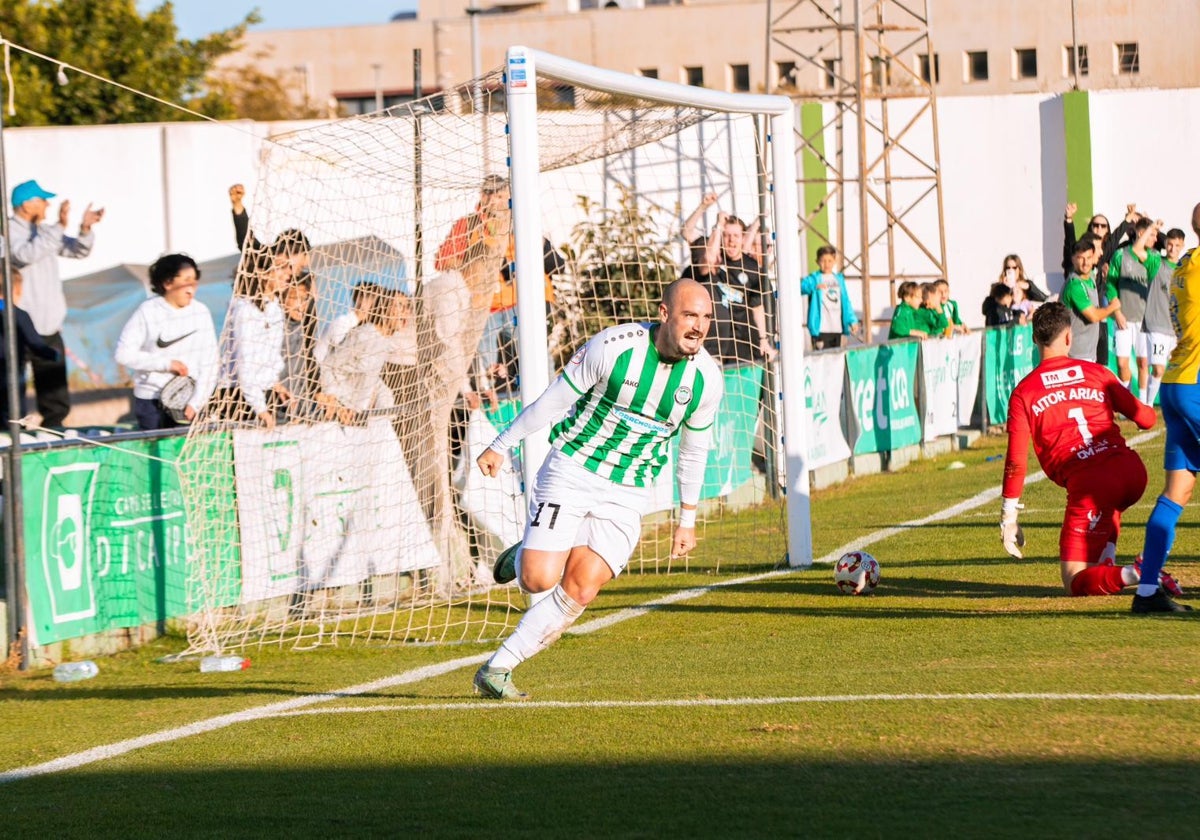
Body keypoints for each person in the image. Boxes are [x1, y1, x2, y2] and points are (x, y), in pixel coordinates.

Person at [472, 278, 723, 700]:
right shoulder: (614, 347)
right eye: (689, 316)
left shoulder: (707, 380)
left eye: (706, 318)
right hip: (573, 469)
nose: (699, 327)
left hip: (628, 491)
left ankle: (498, 669)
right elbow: (552, 402)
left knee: (583, 587)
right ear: (665, 314)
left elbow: (694, 452)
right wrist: (501, 444)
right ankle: (525, 554)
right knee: (537, 580)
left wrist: (688, 520)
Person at [999, 302, 1177, 599]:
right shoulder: (1096, 372)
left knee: (1073, 581)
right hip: (1131, 472)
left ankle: (1140, 572)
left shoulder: (1024, 392)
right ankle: (1108, 560)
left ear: (1034, 339)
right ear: (1068, 337)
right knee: (1105, 522)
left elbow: (1016, 460)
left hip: (1092, 484)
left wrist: (1009, 516)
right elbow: (1146, 419)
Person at [1133, 203, 1200, 614]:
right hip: (1195, 384)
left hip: (1177, 382)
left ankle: (1145, 594)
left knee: (1177, 491)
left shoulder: (1185, 264)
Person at [434, 174, 563, 387]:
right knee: (489, 365)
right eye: (491, 195)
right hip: (487, 307)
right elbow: (442, 261)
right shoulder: (469, 225)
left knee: (535, 354)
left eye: (502, 195)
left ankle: (547, 396)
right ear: (483, 197)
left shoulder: (523, 222)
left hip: (527, 302)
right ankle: (493, 401)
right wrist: (477, 262)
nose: (497, 200)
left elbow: (555, 264)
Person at [7, 179, 104, 426]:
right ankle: (11, 428)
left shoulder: (46, 232)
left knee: (53, 383)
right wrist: (59, 226)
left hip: (50, 322)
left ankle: (54, 428)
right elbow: (25, 255)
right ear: (26, 205)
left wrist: (84, 229)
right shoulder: (8, 232)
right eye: (42, 200)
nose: (47, 204)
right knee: (12, 382)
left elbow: (78, 251)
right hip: (18, 324)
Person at [114, 254, 219, 431]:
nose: (191, 288)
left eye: (195, 281)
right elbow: (123, 354)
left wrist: (197, 401)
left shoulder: (200, 312)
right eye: (186, 280)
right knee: (155, 456)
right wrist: (166, 364)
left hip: (188, 402)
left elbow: (211, 363)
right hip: (150, 402)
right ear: (167, 283)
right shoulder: (148, 311)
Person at [683, 197, 775, 365]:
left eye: (736, 236)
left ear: (742, 238)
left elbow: (757, 306)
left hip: (744, 341)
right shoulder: (715, 258)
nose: (731, 240)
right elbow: (688, 232)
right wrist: (708, 211)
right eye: (726, 236)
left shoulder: (752, 267)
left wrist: (764, 339)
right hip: (714, 344)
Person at [216, 250, 290, 427]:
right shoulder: (244, 309)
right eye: (281, 268)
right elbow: (245, 365)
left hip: (263, 394)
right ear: (263, 274)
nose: (288, 274)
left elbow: (267, 357)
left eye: (289, 268)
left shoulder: (275, 309)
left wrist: (275, 384)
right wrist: (260, 408)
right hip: (239, 397)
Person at [1108, 217, 1160, 399]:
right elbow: (1111, 285)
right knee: (1122, 363)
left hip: (1144, 320)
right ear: (1141, 234)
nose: (1155, 239)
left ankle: (1144, 403)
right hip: (1123, 318)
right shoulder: (1120, 256)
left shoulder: (1153, 259)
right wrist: (1117, 312)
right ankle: (1127, 402)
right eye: (1152, 235)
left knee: (1143, 362)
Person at [0, 270, 60, 424]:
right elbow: (35, 343)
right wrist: (53, 354)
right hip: (11, 372)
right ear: (16, 290)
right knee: (13, 411)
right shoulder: (19, 314)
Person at [1141, 228, 1186, 407]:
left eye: (1176, 245)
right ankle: (1149, 406)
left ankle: (1176, 406)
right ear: (1165, 244)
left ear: (1182, 246)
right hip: (1157, 326)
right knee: (1158, 369)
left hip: (1177, 329)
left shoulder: (1185, 268)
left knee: (1178, 371)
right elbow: (1138, 250)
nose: (1172, 249)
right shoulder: (1156, 263)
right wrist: (1151, 229)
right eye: (1170, 244)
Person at [1060, 239, 1120, 362]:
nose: (1085, 262)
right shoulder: (1075, 285)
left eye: (1088, 257)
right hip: (1076, 354)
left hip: (1088, 351)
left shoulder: (1090, 276)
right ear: (1073, 259)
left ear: (1094, 257)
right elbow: (1093, 316)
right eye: (1080, 258)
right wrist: (1113, 307)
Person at [800, 245, 860, 349]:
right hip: (821, 329)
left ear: (834, 261)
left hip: (837, 328)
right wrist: (813, 287)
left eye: (829, 260)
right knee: (821, 360)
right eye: (823, 261)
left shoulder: (838, 279)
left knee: (837, 360)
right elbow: (800, 287)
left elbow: (846, 302)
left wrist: (853, 321)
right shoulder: (814, 278)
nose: (826, 264)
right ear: (817, 261)